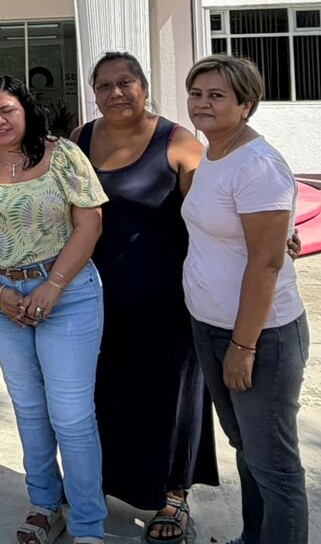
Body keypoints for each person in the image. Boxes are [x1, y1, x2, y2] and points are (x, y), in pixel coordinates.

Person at [0, 76, 110, 544]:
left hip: (69, 294)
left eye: (8, 110)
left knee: (73, 414)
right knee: (30, 409)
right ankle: (44, 504)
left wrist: (53, 286)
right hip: (3, 300)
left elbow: (90, 220)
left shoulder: (62, 155)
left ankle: (87, 525)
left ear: (26, 111)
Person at [69, 53, 217, 542]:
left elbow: (216, 210)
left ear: (144, 86)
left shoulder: (178, 143)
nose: (116, 93)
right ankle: (102, 482)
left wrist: (273, 236)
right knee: (101, 392)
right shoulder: (81, 139)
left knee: (169, 396)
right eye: (105, 85)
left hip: (167, 301)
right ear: (94, 91)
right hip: (92, 297)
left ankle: (174, 494)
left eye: (125, 82)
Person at [182, 55, 309, 544]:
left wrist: (244, 344)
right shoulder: (213, 154)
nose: (203, 104)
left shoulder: (258, 164)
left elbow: (266, 264)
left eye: (217, 96)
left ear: (246, 104)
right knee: (246, 448)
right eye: (197, 93)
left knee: (275, 464)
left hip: (260, 334)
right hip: (210, 324)